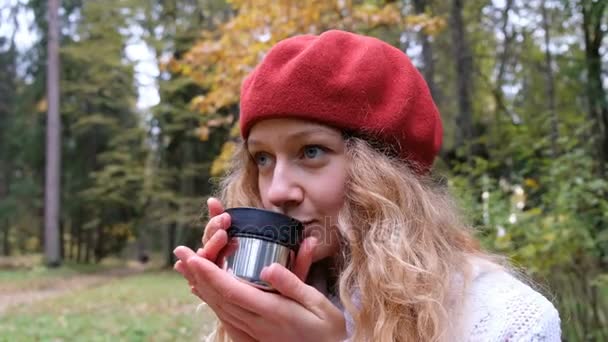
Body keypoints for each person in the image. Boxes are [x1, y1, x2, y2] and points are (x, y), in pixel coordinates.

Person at [173, 29, 561, 341]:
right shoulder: (274, 301)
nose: (276, 191)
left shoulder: (503, 319)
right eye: (262, 158)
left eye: (311, 152)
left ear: (386, 176)